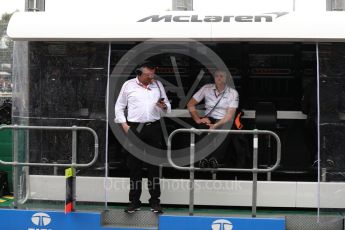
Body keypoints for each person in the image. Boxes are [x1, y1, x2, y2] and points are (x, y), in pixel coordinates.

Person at [114, 61, 171, 214]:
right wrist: (125, 125)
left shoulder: (157, 85)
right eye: (148, 75)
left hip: (153, 127)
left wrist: (164, 107)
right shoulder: (128, 85)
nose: (151, 77)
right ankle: (134, 202)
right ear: (139, 74)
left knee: (154, 167)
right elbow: (119, 106)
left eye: (152, 74)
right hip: (134, 128)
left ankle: (155, 202)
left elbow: (168, 108)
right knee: (134, 168)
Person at [187, 70, 239, 168]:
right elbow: (190, 104)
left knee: (225, 131)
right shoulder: (206, 88)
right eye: (217, 76)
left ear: (227, 78)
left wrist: (215, 125)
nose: (219, 78)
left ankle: (215, 159)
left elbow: (229, 116)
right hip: (209, 118)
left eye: (221, 76)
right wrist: (198, 119)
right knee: (202, 128)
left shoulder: (233, 93)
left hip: (224, 119)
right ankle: (202, 158)